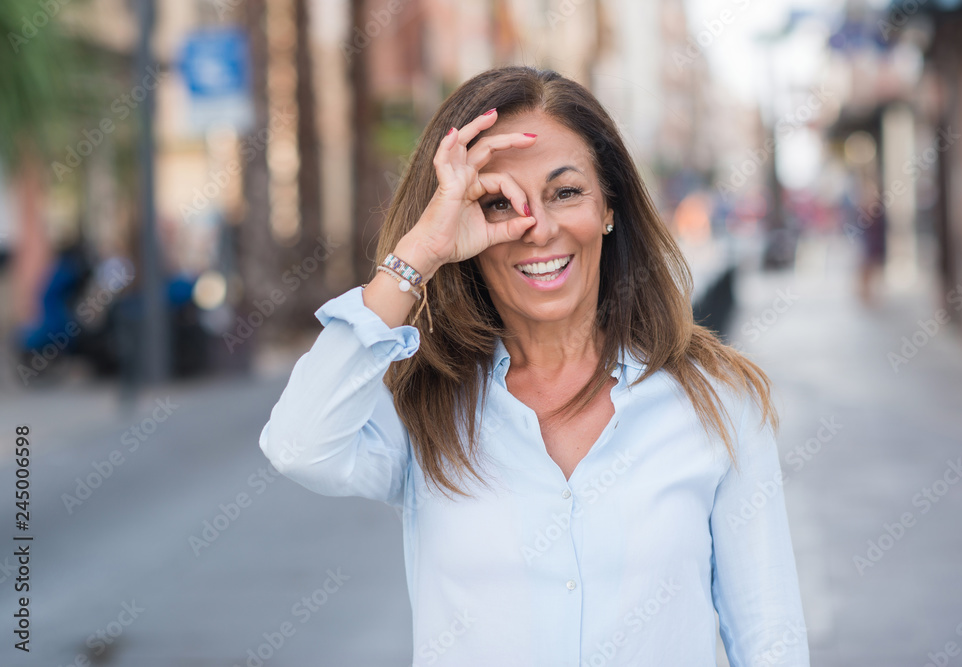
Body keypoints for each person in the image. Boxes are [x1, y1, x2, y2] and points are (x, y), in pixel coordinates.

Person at [259, 66, 809, 666]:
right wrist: (419, 253)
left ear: (609, 207)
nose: (538, 229)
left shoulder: (718, 401)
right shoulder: (423, 405)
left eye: (565, 192)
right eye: (498, 203)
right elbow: (297, 445)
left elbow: (769, 640)